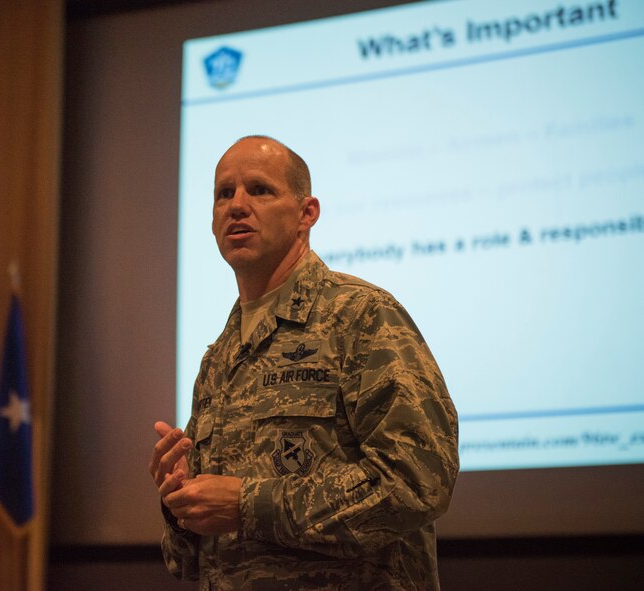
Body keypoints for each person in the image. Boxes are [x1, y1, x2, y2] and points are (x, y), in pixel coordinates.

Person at [149, 136, 458, 590]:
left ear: (306, 213)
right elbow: (193, 565)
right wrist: (183, 507)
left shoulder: (362, 316)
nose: (237, 205)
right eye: (223, 194)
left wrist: (248, 505)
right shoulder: (219, 359)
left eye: (259, 189)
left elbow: (418, 480)